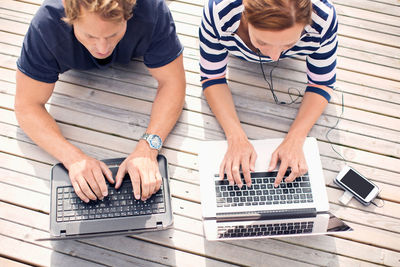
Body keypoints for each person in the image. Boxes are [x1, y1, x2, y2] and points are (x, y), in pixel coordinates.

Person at [15, 0, 186, 203]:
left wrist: (148, 148)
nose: (102, 48)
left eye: (112, 34)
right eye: (90, 36)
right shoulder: (47, 25)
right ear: (70, 18)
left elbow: (173, 82)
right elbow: (27, 106)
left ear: (129, 15)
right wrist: (73, 158)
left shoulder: (152, 9)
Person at [199, 0, 337, 187]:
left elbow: (322, 82)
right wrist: (236, 138)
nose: (274, 57)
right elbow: (212, 77)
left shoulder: (323, 19)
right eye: (262, 42)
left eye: (289, 43)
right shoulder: (218, 13)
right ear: (245, 14)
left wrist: (295, 140)